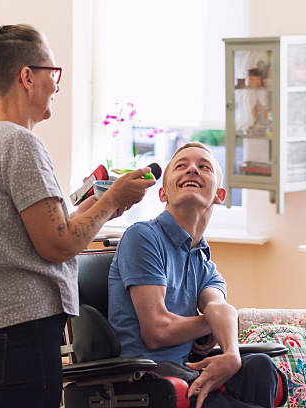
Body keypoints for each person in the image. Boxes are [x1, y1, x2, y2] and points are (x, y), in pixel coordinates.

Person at [0, 24, 155, 408]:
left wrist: (96, 205)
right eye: (53, 73)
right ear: (27, 76)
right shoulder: (20, 143)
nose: (57, 86)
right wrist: (111, 200)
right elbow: (59, 244)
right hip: (22, 330)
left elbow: (37, 231)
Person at [108, 142, 280, 408]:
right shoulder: (142, 237)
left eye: (203, 167)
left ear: (219, 195)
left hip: (186, 373)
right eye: (181, 166)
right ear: (163, 193)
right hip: (148, 381)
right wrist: (211, 322)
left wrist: (232, 353)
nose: (192, 170)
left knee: (259, 365)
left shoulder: (202, 262)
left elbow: (221, 308)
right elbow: (156, 330)